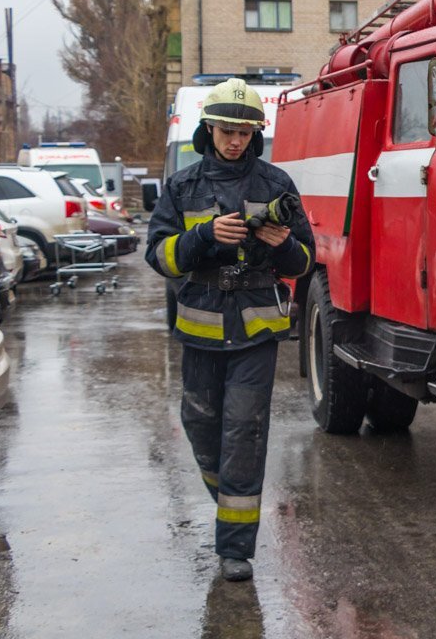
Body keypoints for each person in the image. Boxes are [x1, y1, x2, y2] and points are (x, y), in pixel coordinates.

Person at [146, 78, 315, 582]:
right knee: (200, 425)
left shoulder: (276, 184)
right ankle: (230, 501)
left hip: (257, 329)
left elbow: (305, 261)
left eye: (244, 133)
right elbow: (158, 256)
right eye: (226, 131)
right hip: (200, 327)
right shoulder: (183, 186)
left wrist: (284, 245)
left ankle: (235, 548)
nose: (236, 141)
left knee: (243, 431)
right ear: (209, 130)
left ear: (255, 134)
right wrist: (202, 236)